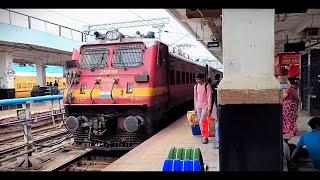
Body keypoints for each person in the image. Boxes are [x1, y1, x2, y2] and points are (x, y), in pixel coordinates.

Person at [194, 73, 212, 144]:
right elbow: (195, 97)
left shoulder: (207, 86)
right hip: (198, 106)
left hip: (205, 106)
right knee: (200, 121)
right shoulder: (195, 86)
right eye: (196, 79)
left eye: (199, 79)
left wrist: (209, 108)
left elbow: (209, 97)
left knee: (202, 121)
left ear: (202, 79)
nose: (197, 80)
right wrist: (195, 107)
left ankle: (205, 137)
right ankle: (204, 136)